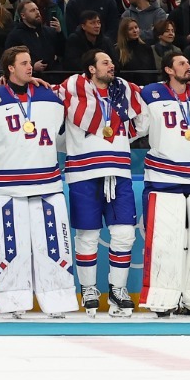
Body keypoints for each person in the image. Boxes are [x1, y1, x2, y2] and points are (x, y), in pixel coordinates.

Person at [0, 47, 77, 316]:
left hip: (47, 182)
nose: (30, 67)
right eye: (23, 63)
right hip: (5, 185)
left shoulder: (49, 94)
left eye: (30, 62)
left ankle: (58, 300)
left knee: (54, 245)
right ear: (10, 67)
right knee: (10, 249)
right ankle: (13, 302)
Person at [56, 49, 145, 315]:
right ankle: (89, 289)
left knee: (124, 234)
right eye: (105, 62)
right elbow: (37, 94)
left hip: (118, 170)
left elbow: (143, 123)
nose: (112, 65)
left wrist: (120, 139)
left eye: (112, 61)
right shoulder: (71, 90)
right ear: (91, 69)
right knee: (87, 235)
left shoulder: (125, 92)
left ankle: (117, 290)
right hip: (83, 172)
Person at [136, 51, 190, 315]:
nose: (188, 66)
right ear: (168, 70)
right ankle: (162, 298)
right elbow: (138, 127)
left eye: (188, 62)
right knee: (165, 240)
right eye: (182, 63)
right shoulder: (150, 93)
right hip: (163, 178)